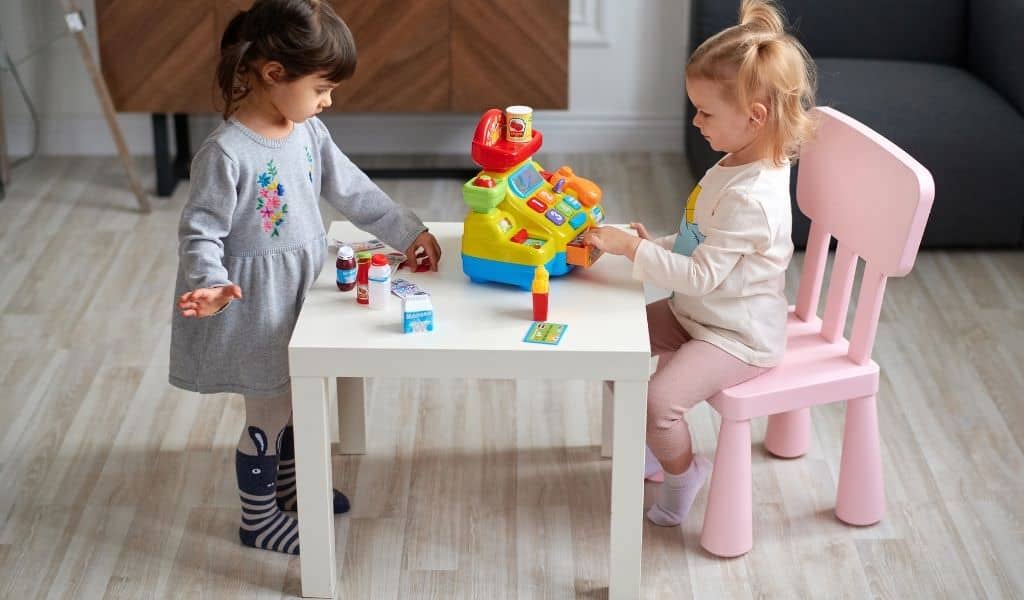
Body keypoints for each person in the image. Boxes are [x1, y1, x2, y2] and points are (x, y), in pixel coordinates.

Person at [169, 0, 441, 554]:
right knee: (268, 409)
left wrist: (408, 231)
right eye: (321, 88)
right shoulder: (225, 153)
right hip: (255, 304)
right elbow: (200, 231)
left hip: (304, 288)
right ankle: (259, 518)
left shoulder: (307, 131)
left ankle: (291, 489)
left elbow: (354, 189)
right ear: (273, 74)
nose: (328, 101)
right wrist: (209, 282)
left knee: (297, 392)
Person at [585, 0, 816, 528]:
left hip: (735, 335)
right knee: (609, 346)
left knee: (658, 401)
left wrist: (633, 252)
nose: (695, 120)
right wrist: (658, 244)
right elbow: (700, 243)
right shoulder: (735, 159)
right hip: (699, 311)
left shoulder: (754, 197)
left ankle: (682, 472)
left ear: (754, 118)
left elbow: (703, 274)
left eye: (706, 112)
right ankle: (661, 447)